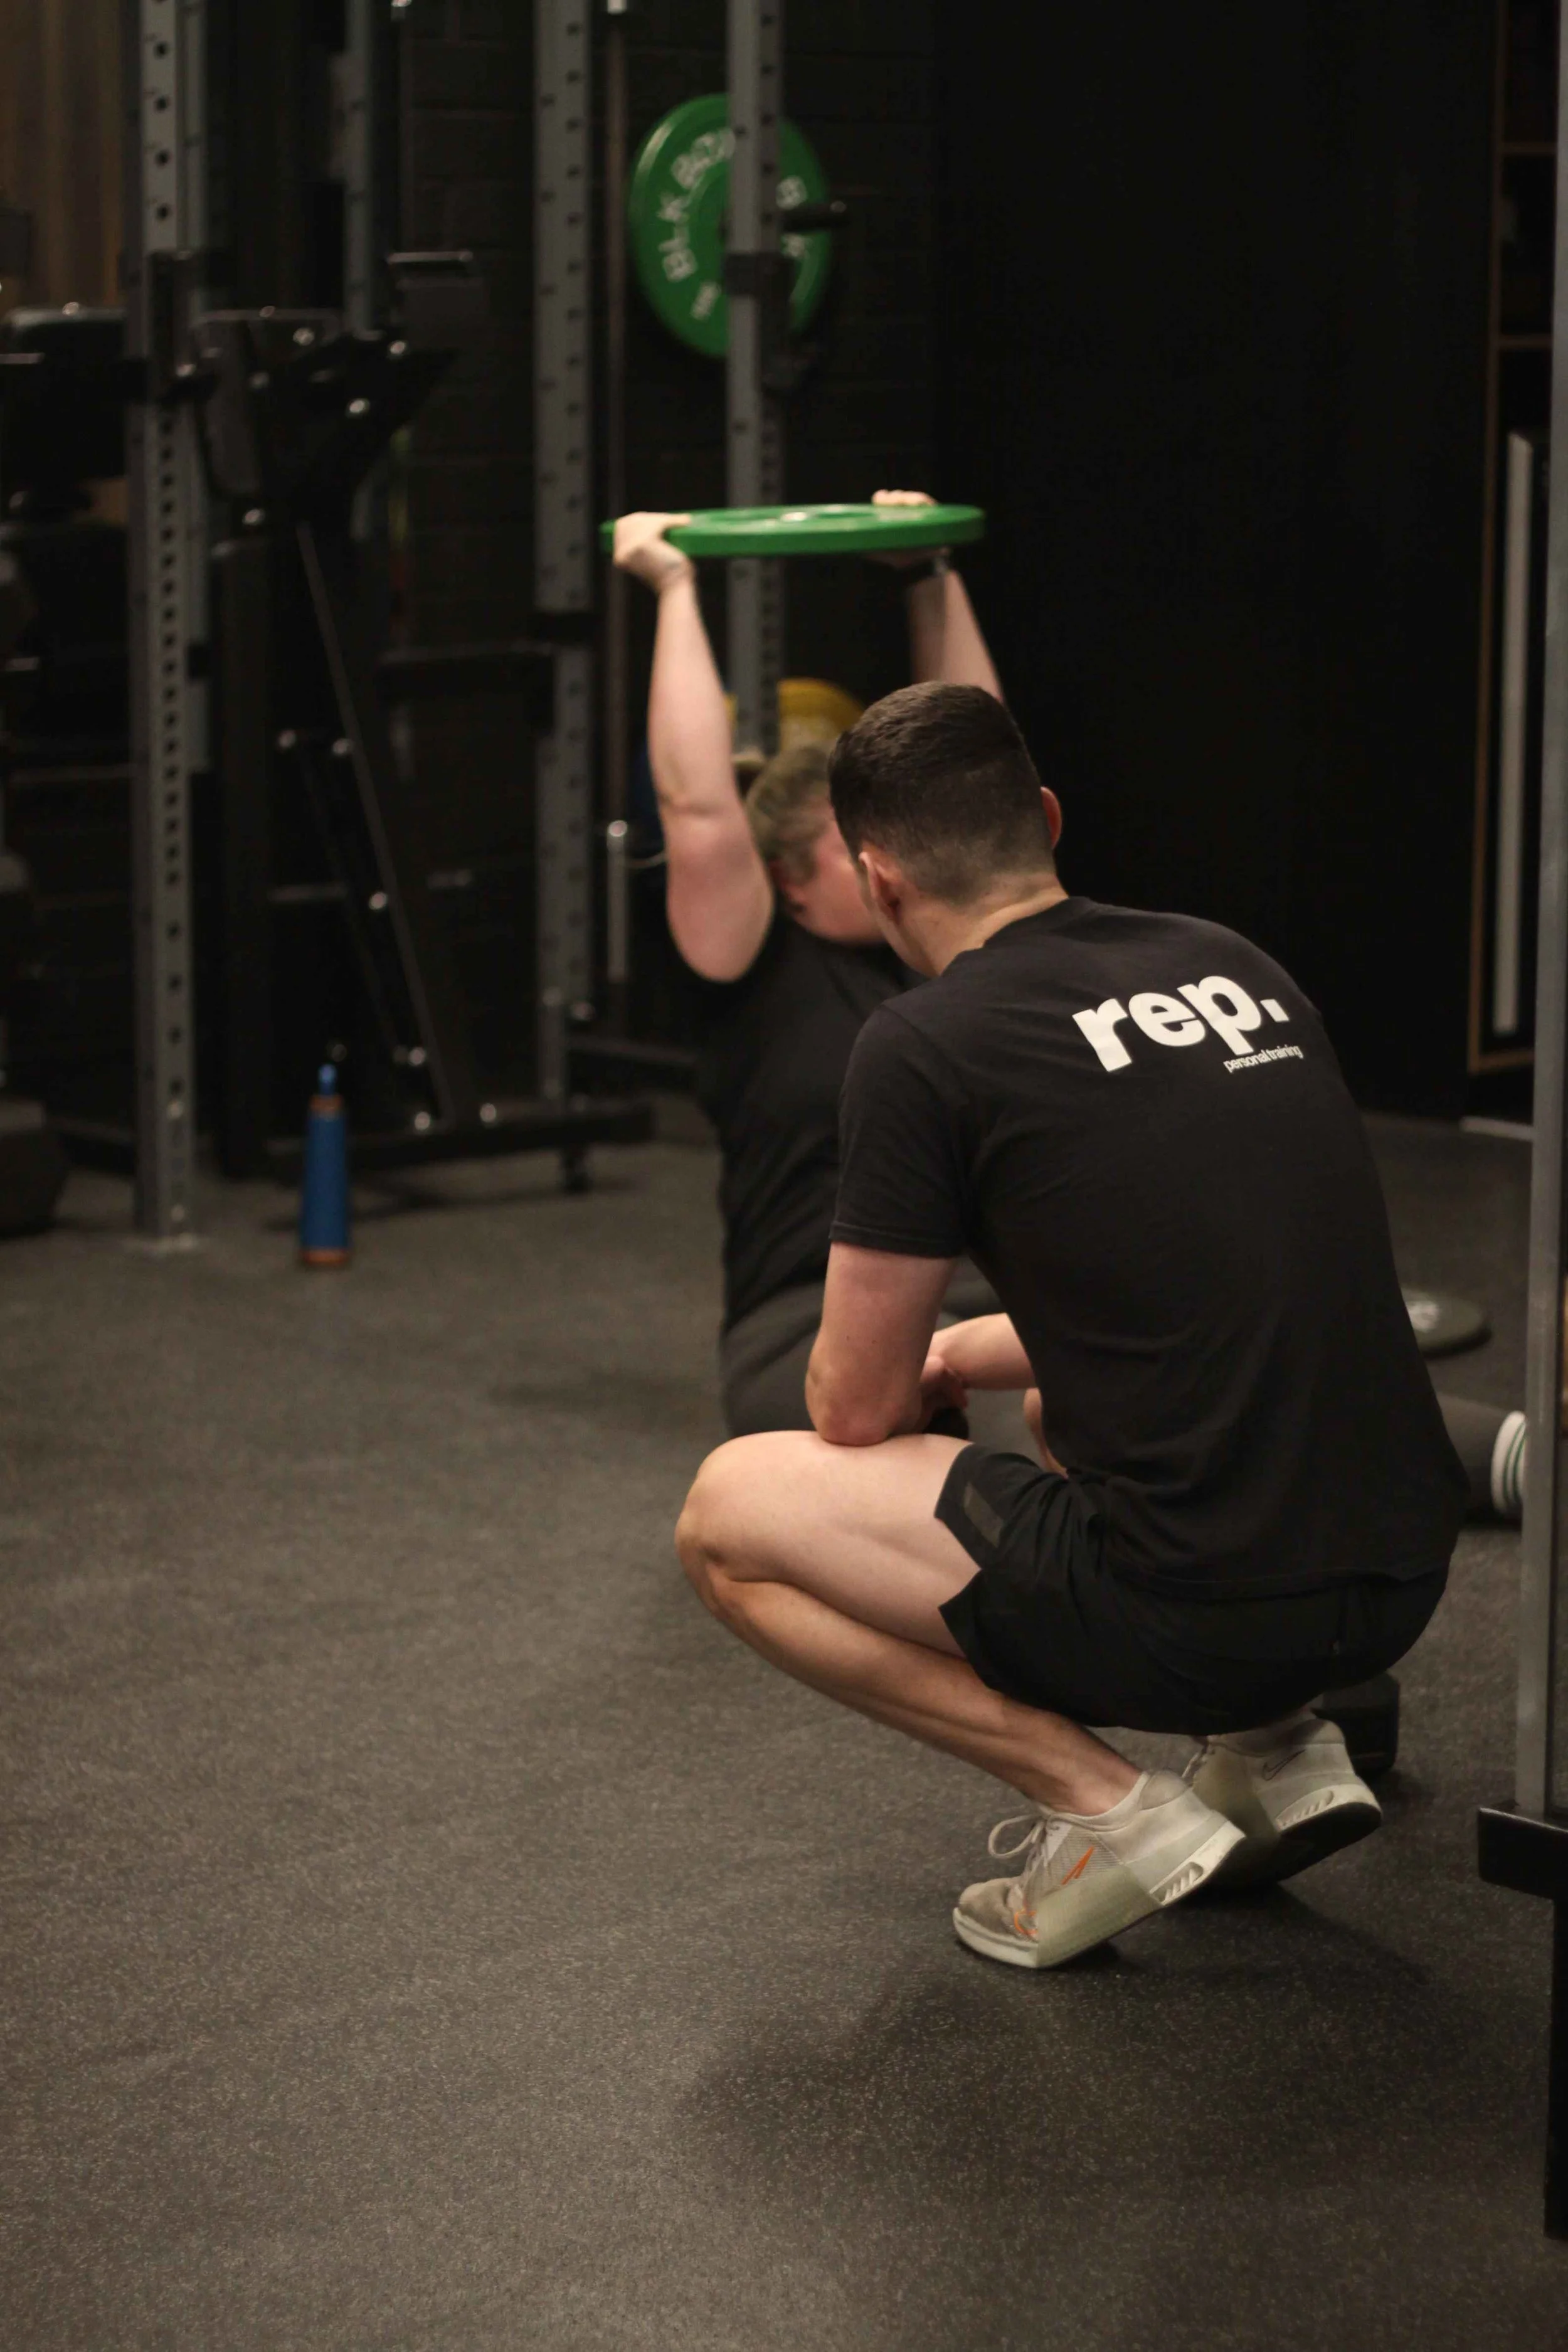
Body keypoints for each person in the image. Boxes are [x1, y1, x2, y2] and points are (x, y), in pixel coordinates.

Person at [675, 682, 1467, 1970]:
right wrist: (955, 1353)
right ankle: (1273, 1749)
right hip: (1397, 1578)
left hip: (1211, 1612)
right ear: (1043, 818)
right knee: (1056, 1404)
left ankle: (1101, 1810)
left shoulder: (922, 1044)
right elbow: (1187, 1294)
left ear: (877, 885)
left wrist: (906, 1371)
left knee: (726, 1519)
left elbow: (851, 1413)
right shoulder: (1229, 961)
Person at [612, 495, 1012, 1438]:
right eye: (853, 842)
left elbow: (976, 760)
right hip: (809, 1321)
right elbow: (699, 806)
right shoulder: (755, 967)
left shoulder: (958, 941)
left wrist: (928, 575)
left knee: (1105, 1438)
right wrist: (674, 586)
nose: (893, 851)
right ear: (786, 879)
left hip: (994, 1300)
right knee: (979, 1481)